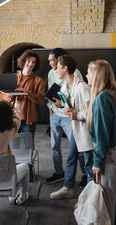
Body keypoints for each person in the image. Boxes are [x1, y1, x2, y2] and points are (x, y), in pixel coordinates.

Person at [50, 54, 94, 199]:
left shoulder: (83, 87)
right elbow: (70, 107)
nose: (55, 69)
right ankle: (68, 188)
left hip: (86, 133)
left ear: (65, 68)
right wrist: (62, 106)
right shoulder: (63, 88)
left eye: (58, 67)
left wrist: (77, 115)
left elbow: (91, 112)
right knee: (70, 159)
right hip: (76, 130)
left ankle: (89, 199)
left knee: (88, 166)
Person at [46, 48, 87, 186]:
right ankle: (59, 173)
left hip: (70, 116)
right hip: (56, 115)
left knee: (78, 148)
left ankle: (86, 175)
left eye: (52, 60)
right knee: (54, 146)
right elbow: (52, 91)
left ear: (61, 61)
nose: (51, 63)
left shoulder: (76, 76)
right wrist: (51, 107)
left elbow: (76, 95)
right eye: (49, 60)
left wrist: (64, 105)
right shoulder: (51, 73)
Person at [86, 60, 116, 225]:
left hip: (109, 156)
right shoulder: (112, 94)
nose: (86, 76)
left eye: (89, 73)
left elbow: (103, 135)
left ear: (96, 76)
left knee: (108, 204)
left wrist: (97, 162)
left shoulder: (102, 99)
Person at [0, 49, 44, 142]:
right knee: (14, 146)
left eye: (33, 62)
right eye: (29, 61)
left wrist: (27, 92)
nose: (31, 64)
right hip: (13, 116)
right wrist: (9, 97)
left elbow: (40, 99)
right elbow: (2, 97)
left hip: (29, 118)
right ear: (23, 61)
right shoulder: (12, 77)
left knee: (29, 145)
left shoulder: (38, 80)